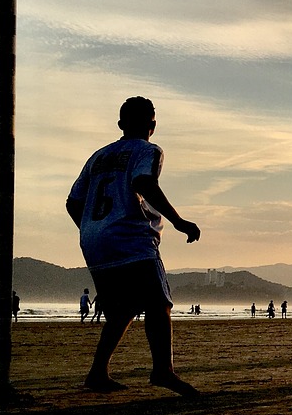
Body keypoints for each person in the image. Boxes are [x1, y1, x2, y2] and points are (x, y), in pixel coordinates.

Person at [65, 96, 200, 396]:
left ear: (120, 125)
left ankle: (98, 372)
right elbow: (143, 183)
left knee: (123, 309)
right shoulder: (148, 150)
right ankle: (163, 371)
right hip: (132, 240)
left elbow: (73, 202)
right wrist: (178, 221)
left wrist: (93, 228)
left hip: (94, 242)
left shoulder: (98, 157)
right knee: (159, 304)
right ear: (153, 124)